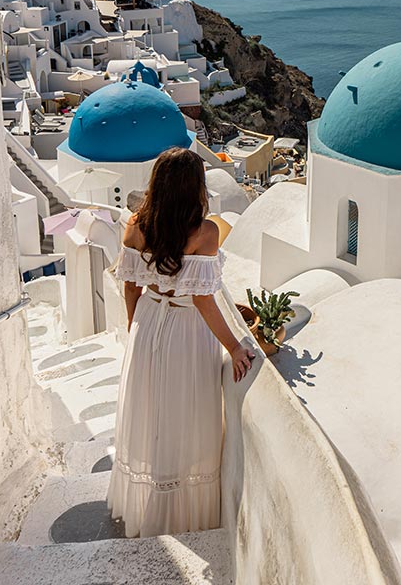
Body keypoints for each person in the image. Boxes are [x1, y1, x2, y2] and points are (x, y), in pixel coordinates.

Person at [107, 147, 255, 537]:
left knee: (152, 411)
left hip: (148, 322)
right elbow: (203, 299)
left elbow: (131, 286)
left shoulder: (136, 226)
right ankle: (179, 509)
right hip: (187, 329)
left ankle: (152, 501)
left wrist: (134, 325)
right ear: (195, 189)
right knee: (187, 413)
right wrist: (235, 347)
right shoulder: (204, 233)